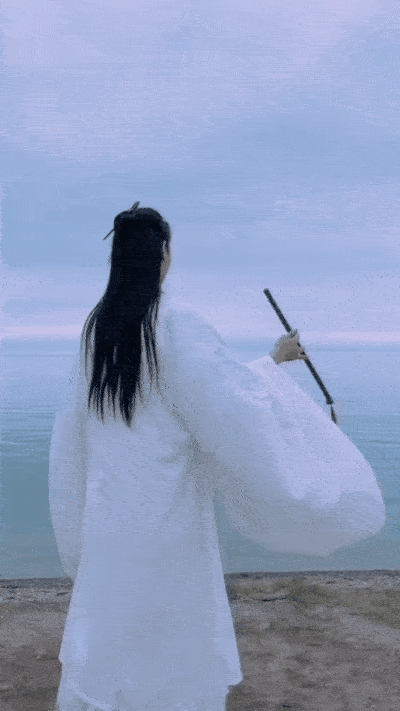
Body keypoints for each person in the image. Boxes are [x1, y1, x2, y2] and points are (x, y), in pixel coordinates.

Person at [49, 204, 385, 711]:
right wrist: (302, 422)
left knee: (113, 635)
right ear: (164, 254)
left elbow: (80, 431)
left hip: (108, 517)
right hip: (165, 520)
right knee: (169, 641)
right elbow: (229, 409)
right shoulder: (174, 322)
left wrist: (271, 361)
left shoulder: (99, 327)